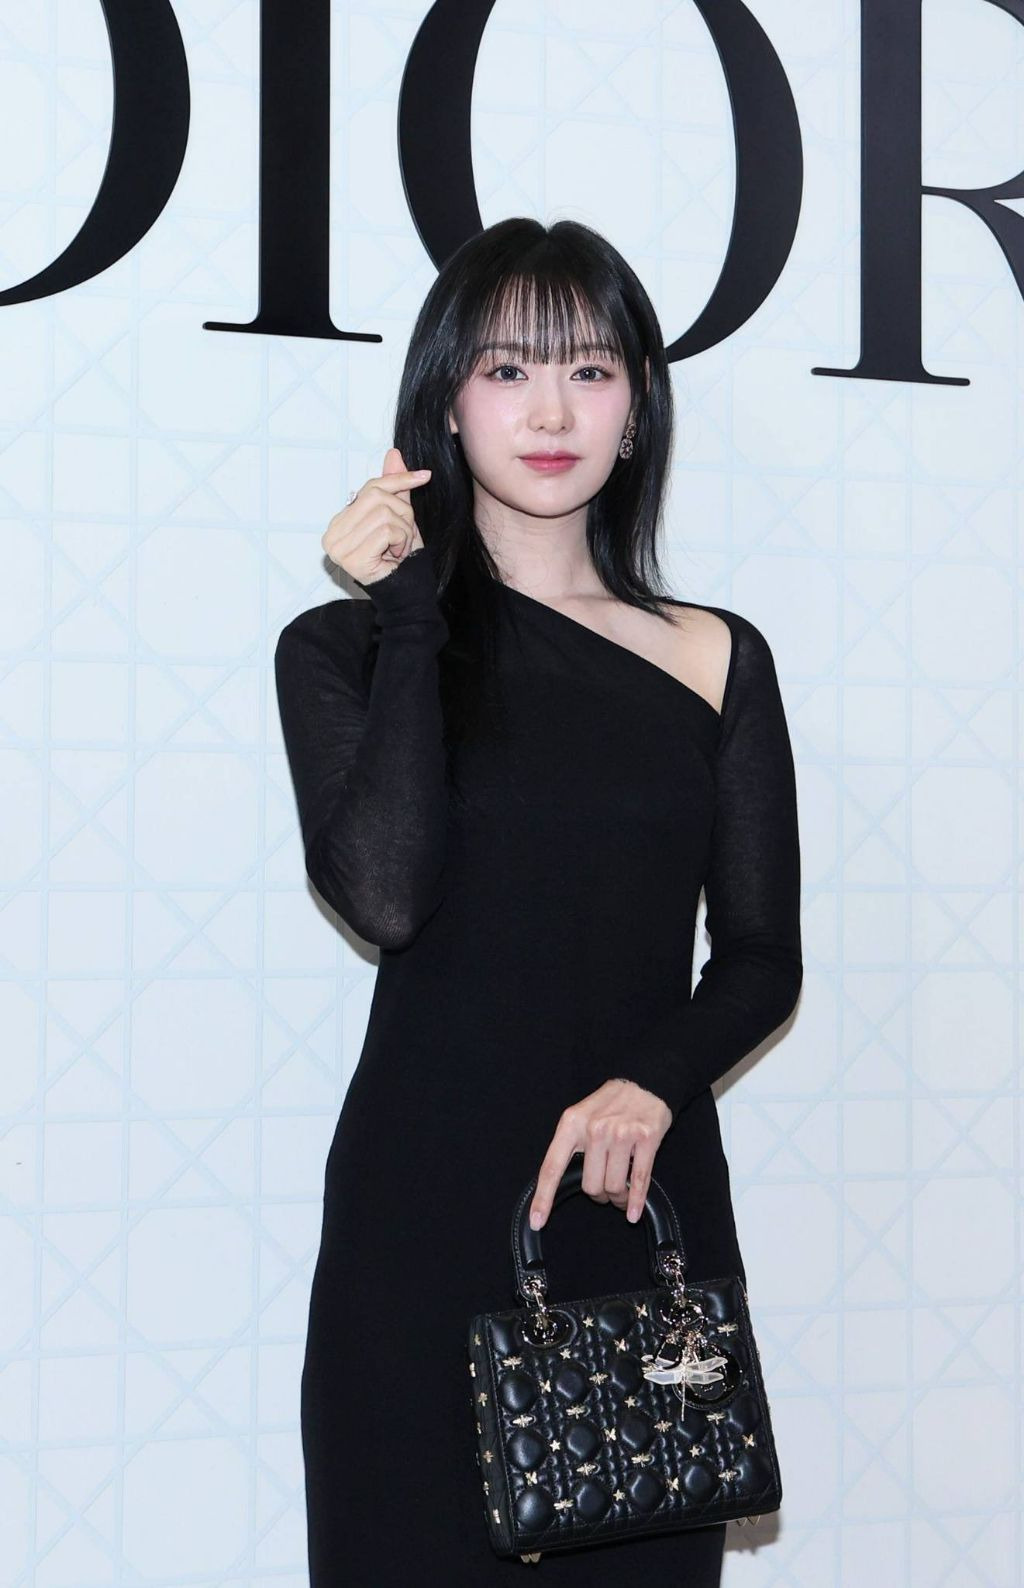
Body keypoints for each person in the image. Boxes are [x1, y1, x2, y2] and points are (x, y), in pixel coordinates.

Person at [274, 216, 803, 1586]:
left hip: (639, 1205)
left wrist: (654, 1082)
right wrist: (408, 613)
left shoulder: (715, 658)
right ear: (445, 402)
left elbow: (761, 955)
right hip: (423, 1217)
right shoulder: (341, 648)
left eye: (591, 369)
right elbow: (386, 896)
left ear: (638, 404)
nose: (553, 411)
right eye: (508, 369)